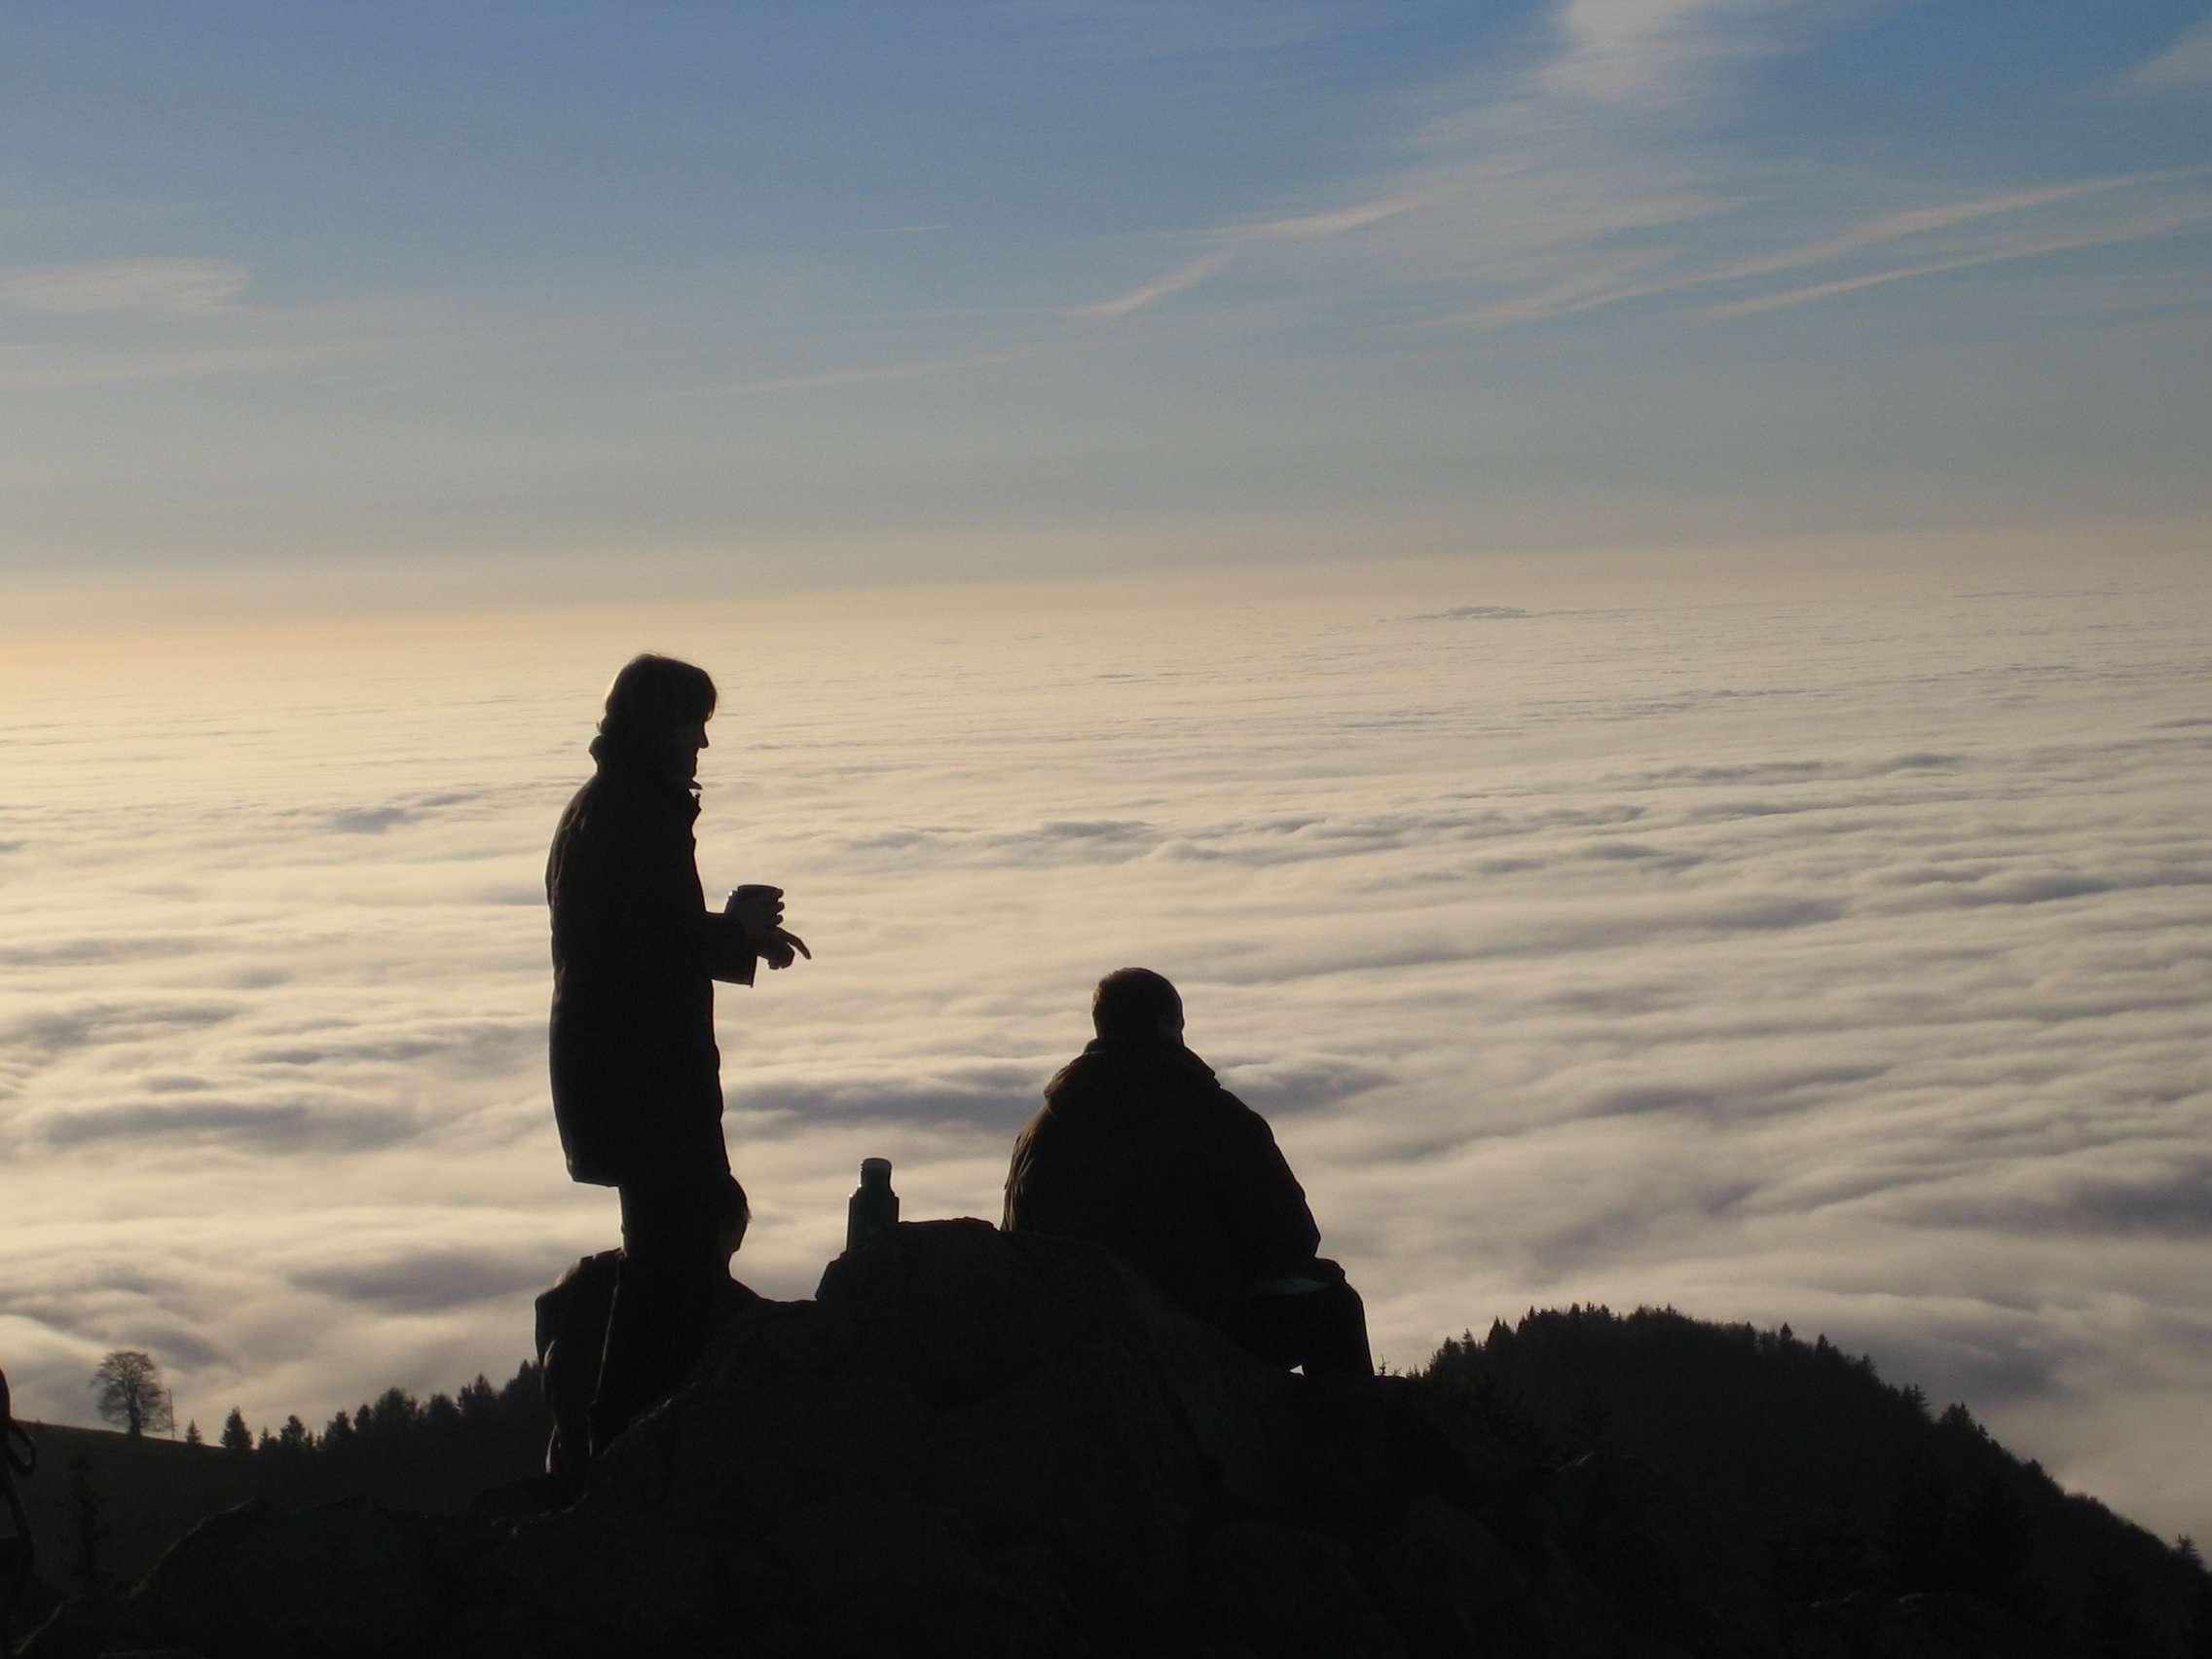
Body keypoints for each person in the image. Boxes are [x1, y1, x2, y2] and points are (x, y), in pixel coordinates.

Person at [546, 653, 807, 1455]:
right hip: (643, 1077)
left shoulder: (615, 808)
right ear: (658, 726)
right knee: (681, 1242)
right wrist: (732, 935)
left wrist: (732, 937)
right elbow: (640, 945)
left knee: (681, 1233)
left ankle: (624, 1440)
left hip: (627, 1072)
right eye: (693, 724)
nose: (702, 743)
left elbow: (637, 935)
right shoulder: (630, 814)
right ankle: (628, 1449)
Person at [1003, 968, 1372, 1378]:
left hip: (1072, 1333)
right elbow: (1291, 1239)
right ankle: (1344, 1439)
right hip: (1195, 1329)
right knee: (1335, 1307)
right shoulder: (1214, 1117)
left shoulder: (1039, 1132)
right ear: (1166, 1024)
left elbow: (1015, 1240)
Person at [535, 1173, 756, 1487]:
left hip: (572, 1475)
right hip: (656, 1487)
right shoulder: (734, 1311)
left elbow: (556, 1369)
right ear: (730, 1232)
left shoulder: (582, 1280)